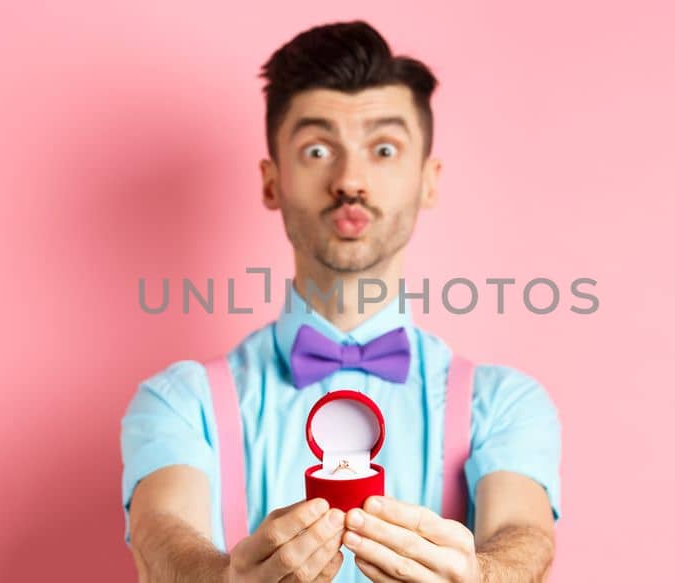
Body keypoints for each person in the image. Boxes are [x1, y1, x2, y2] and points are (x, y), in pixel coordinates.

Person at [121, 20, 561, 582]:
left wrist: (487, 576)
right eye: (316, 148)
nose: (350, 180)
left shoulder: (504, 404)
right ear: (272, 181)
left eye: (383, 149)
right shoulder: (181, 404)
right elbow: (162, 540)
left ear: (428, 180)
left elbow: (525, 538)